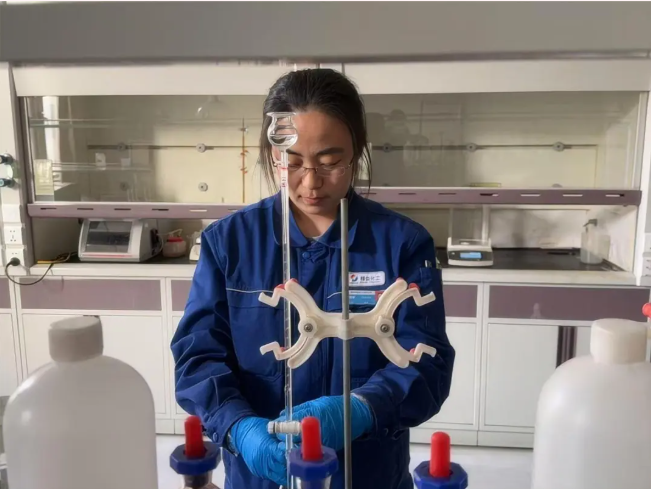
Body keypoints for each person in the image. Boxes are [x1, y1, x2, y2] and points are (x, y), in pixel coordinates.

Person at [171, 68, 455, 489]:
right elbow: (198, 358)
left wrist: (363, 408)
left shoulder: (402, 243)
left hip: (367, 473)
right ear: (272, 155)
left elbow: (428, 363)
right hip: (261, 474)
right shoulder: (229, 242)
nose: (310, 182)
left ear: (357, 153)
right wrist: (238, 428)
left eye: (330, 162)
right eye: (291, 163)